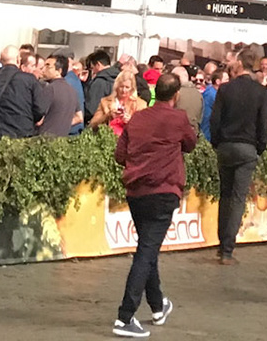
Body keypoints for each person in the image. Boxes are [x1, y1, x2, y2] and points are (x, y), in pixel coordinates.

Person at [108, 71, 197, 337]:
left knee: (148, 248)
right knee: (146, 251)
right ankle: (125, 317)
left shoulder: (138, 117)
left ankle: (158, 307)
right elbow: (190, 144)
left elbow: (120, 155)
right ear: (176, 95)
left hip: (137, 192)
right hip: (164, 191)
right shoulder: (178, 118)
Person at [209, 47, 267, 266]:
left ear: (240, 64)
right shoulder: (261, 92)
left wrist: (217, 143)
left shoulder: (225, 89)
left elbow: (215, 120)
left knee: (225, 196)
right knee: (237, 198)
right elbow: (263, 125)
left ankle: (221, 244)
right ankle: (227, 249)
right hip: (247, 148)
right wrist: (260, 148)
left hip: (226, 146)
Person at [0, 49, 51, 138]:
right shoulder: (30, 80)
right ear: (18, 60)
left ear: (0, 61)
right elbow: (40, 109)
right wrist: (28, 118)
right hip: (22, 135)